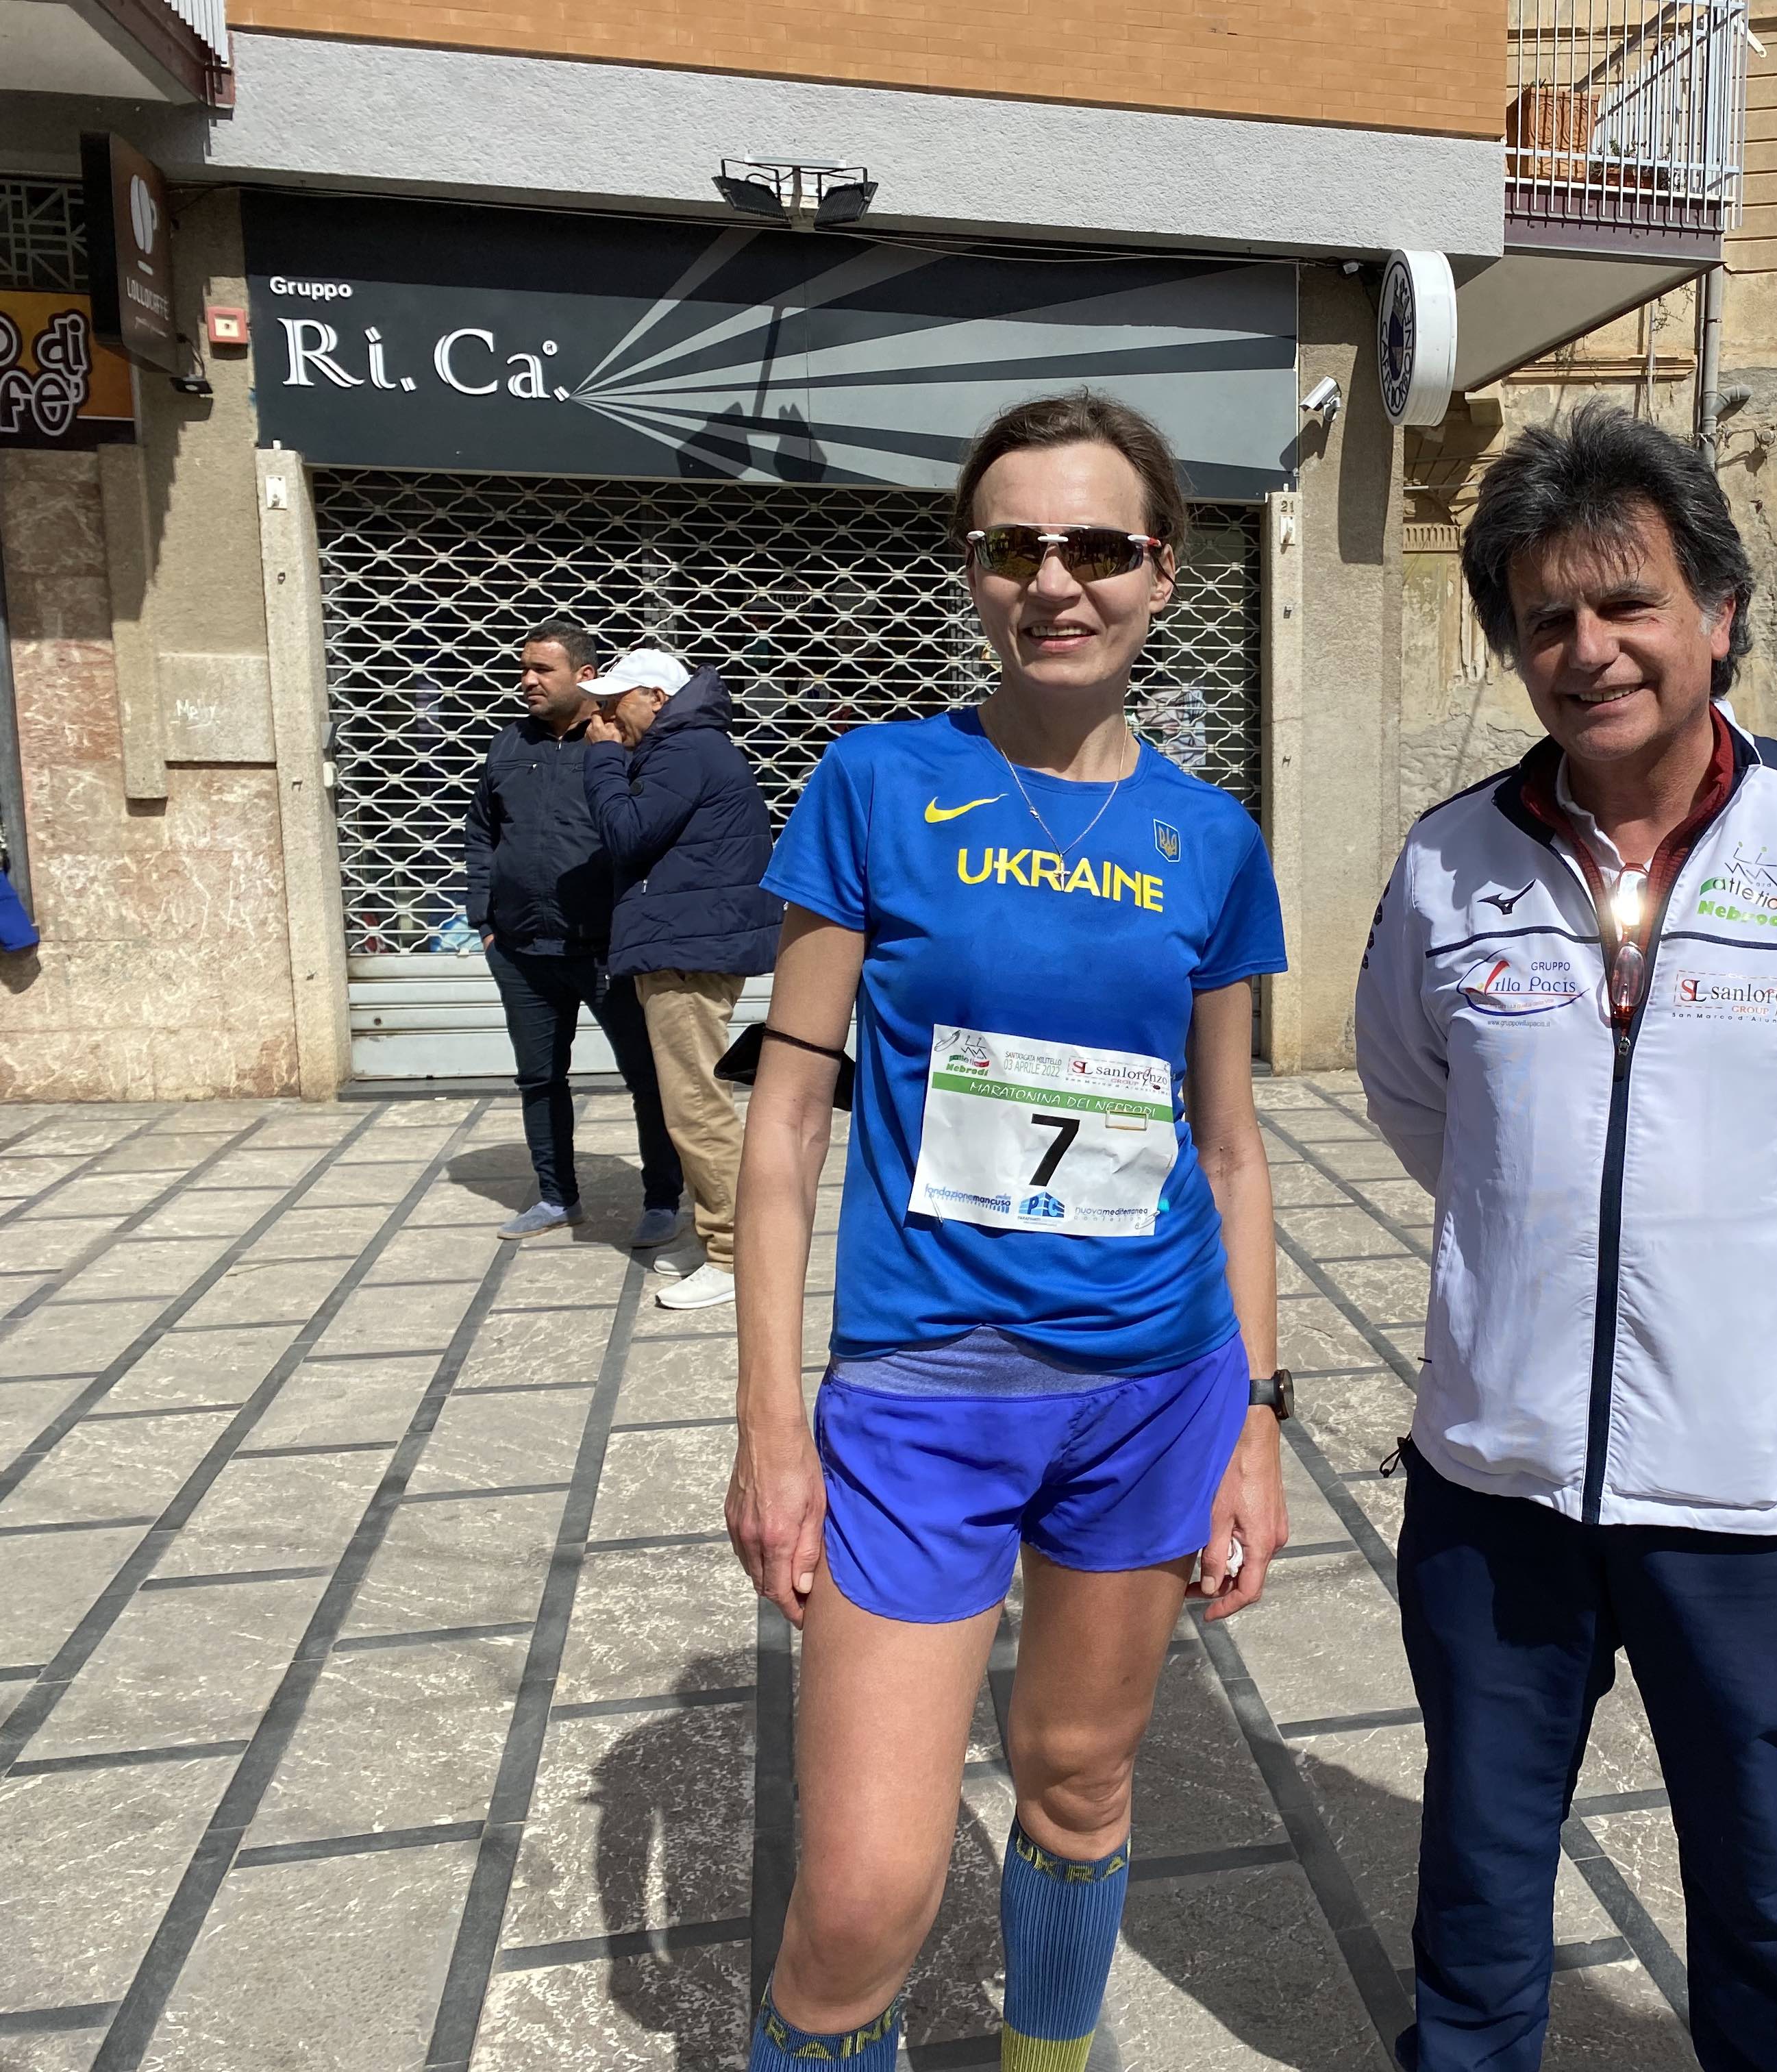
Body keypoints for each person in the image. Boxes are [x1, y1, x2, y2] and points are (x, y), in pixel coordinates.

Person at [1356, 404, 1777, 2072]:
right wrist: (1539, 1271)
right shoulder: (1448, 865)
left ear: (1717, 613)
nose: (1589, 650)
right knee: (1477, 1883)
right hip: (1497, 1489)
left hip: (1759, 1503)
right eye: (1545, 620)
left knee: (1769, 1895)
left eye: (1626, 602)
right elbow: (1423, 1108)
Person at [728, 393, 1291, 2072]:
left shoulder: (1212, 840)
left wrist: (1257, 1420)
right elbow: (785, 1123)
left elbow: (1231, 1150)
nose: (1056, 583)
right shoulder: (877, 785)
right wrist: (773, 1434)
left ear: (1164, 572)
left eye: (1098, 547)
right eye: (1015, 548)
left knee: (1081, 1782)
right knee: (861, 1899)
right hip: (924, 1397)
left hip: (1155, 1388)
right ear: (973, 569)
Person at [464, 621, 684, 1248]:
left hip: (609, 950)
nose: (527, 681)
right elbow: (482, 833)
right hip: (522, 951)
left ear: (585, 676)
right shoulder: (509, 743)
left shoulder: (619, 742)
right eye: (524, 668)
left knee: (648, 1079)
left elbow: (654, 835)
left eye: (542, 670)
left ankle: (663, 1200)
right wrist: (485, 921)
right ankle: (557, 1196)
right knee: (539, 1079)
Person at [582, 648, 782, 1311]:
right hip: (686, 941)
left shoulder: (684, 750)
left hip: (688, 949)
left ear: (657, 699)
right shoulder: (687, 747)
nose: (605, 716)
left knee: (696, 1107)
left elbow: (628, 832)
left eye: (616, 703)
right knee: (692, 1103)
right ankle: (717, 1238)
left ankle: (735, 1256)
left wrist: (603, 760)